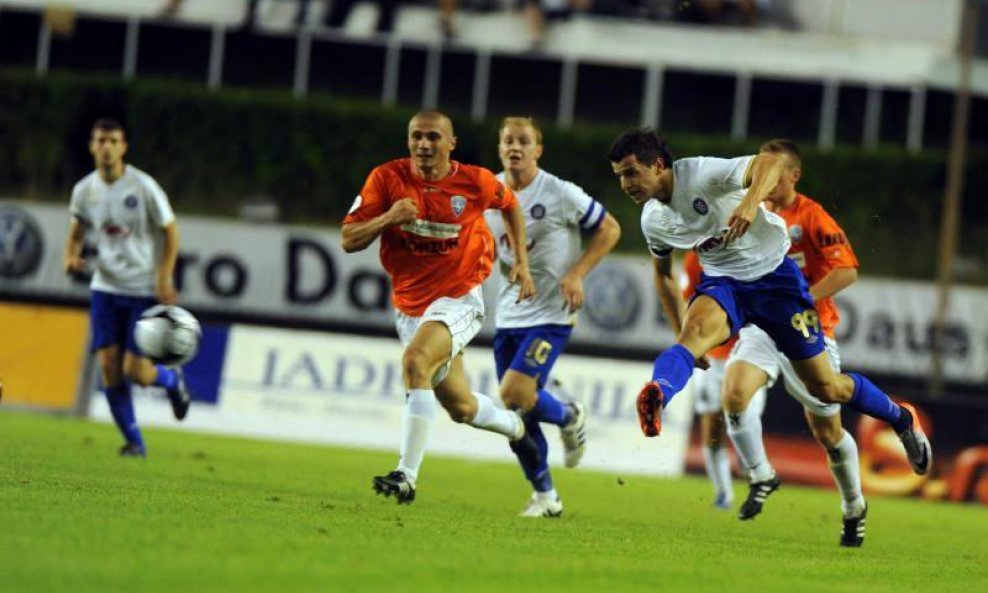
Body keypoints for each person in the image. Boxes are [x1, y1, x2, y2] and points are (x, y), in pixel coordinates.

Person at [606, 128, 931, 483]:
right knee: (692, 340)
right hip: (726, 285)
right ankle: (659, 395)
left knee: (827, 388)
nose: (626, 184)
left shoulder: (701, 174)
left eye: (631, 173)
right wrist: (680, 328)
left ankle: (901, 419)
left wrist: (748, 204)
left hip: (777, 279)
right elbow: (664, 276)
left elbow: (772, 162)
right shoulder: (653, 220)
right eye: (620, 176)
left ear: (658, 165)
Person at [341, 110, 538, 505]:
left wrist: (521, 261)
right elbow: (348, 239)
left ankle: (406, 475)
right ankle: (518, 429)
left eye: (433, 137)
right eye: (416, 136)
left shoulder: (476, 182)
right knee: (461, 406)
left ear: (451, 143)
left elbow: (511, 205)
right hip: (410, 305)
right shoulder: (386, 179)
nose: (424, 145)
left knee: (415, 361)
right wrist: (388, 217)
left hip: (460, 295)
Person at [721, 139, 867, 546]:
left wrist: (803, 298)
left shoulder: (812, 216)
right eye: (758, 168)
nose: (762, 176)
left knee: (827, 433)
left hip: (807, 328)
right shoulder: (751, 210)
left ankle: (854, 505)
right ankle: (761, 475)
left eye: (773, 169)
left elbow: (848, 271)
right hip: (763, 327)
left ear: (793, 175)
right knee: (734, 394)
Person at [486, 116, 621, 517]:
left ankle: (567, 415)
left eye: (523, 141)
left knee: (512, 393)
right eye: (508, 140)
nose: (515, 147)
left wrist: (577, 273)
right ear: (499, 147)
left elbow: (610, 229)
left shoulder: (558, 192)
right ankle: (546, 496)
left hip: (552, 315)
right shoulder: (488, 193)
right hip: (509, 313)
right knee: (517, 413)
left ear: (537, 150)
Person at [64, 118, 191, 458]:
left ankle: (171, 380)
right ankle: (135, 442)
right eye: (100, 140)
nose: (106, 146)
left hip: (141, 290)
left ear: (123, 147)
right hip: (104, 287)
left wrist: (163, 277)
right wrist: (71, 256)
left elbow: (171, 231)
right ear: (92, 145)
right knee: (108, 367)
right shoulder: (85, 190)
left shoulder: (143, 187)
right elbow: (77, 229)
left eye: (112, 141)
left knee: (136, 372)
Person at [679, 250, 766, 510]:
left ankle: (749, 460)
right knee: (712, 427)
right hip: (715, 356)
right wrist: (695, 343)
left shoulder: (760, 246)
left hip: (751, 352)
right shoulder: (699, 254)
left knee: (745, 416)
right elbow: (689, 302)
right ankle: (723, 493)